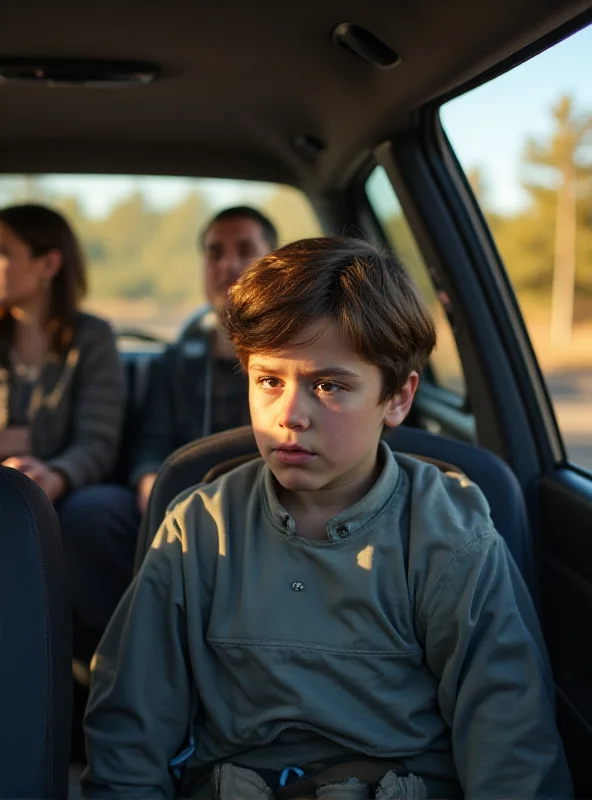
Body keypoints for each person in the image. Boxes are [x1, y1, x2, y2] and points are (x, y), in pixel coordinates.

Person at [82, 237, 572, 799]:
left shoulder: (449, 537)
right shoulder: (199, 530)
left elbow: (509, 744)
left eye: (328, 385)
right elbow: (129, 732)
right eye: (269, 380)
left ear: (397, 398)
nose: (290, 415)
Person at [60, 205, 277, 666]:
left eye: (244, 250)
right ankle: (113, 657)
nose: (227, 264)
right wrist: (147, 478)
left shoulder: (292, 355)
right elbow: (152, 440)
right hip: (180, 501)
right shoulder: (177, 361)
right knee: (91, 513)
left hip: (267, 500)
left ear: (273, 260)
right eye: (214, 253)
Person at [0, 203, 124, 502]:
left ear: (49, 265)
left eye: (3, 252)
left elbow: (97, 443)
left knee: (94, 512)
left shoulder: (93, 338)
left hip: (64, 488)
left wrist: (54, 476)